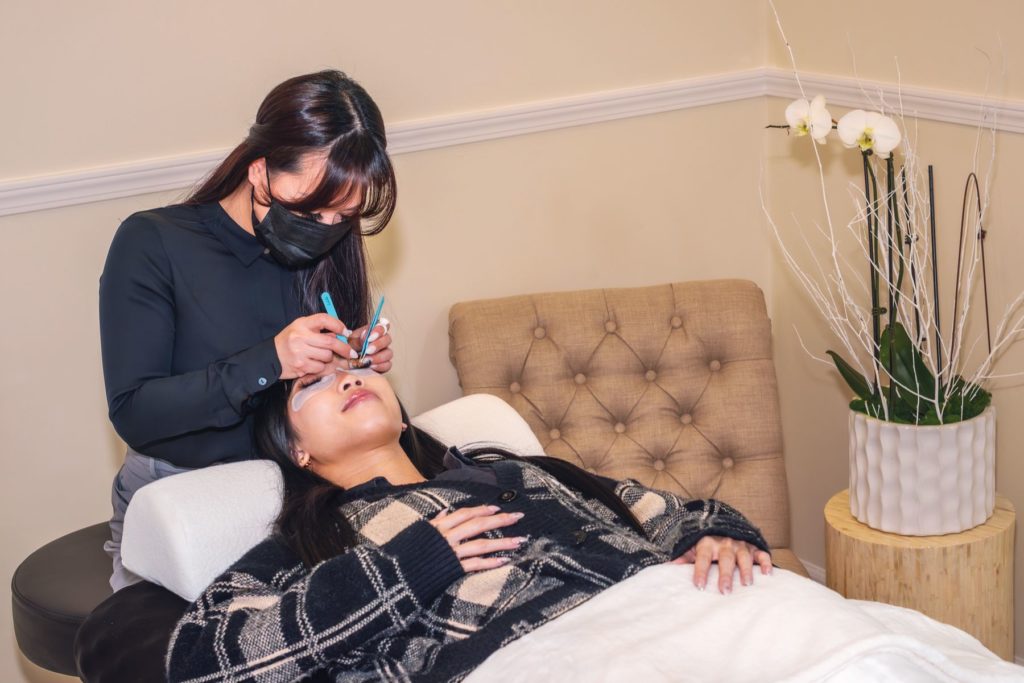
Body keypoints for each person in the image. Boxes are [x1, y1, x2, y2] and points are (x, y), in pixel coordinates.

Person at [166, 368, 773, 682]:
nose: (348, 378)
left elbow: (663, 511)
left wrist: (718, 533)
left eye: (354, 368)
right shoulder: (320, 538)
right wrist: (408, 567)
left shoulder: (515, 468)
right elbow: (200, 660)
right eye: (315, 384)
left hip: (690, 614)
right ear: (295, 450)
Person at [99, 70, 395, 591]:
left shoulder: (327, 240)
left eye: (342, 215)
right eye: (310, 209)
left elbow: (313, 405)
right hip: (183, 498)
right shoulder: (154, 243)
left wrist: (351, 360)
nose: (324, 229)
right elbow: (136, 413)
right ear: (260, 171)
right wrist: (270, 361)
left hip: (301, 489)